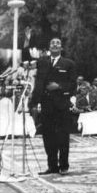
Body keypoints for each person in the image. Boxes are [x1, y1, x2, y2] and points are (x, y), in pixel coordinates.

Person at [29, 38, 77, 176]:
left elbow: (73, 85)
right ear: (49, 47)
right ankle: (52, 166)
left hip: (62, 104)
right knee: (48, 136)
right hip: (46, 105)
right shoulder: (42, 62)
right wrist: (34, 102)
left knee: (62, 135)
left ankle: (63, 165)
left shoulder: (69, 64)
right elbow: (39, 83)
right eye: (52, 43)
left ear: (61, 48)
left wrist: (59, 87)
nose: (55, 45)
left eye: (58, 43)